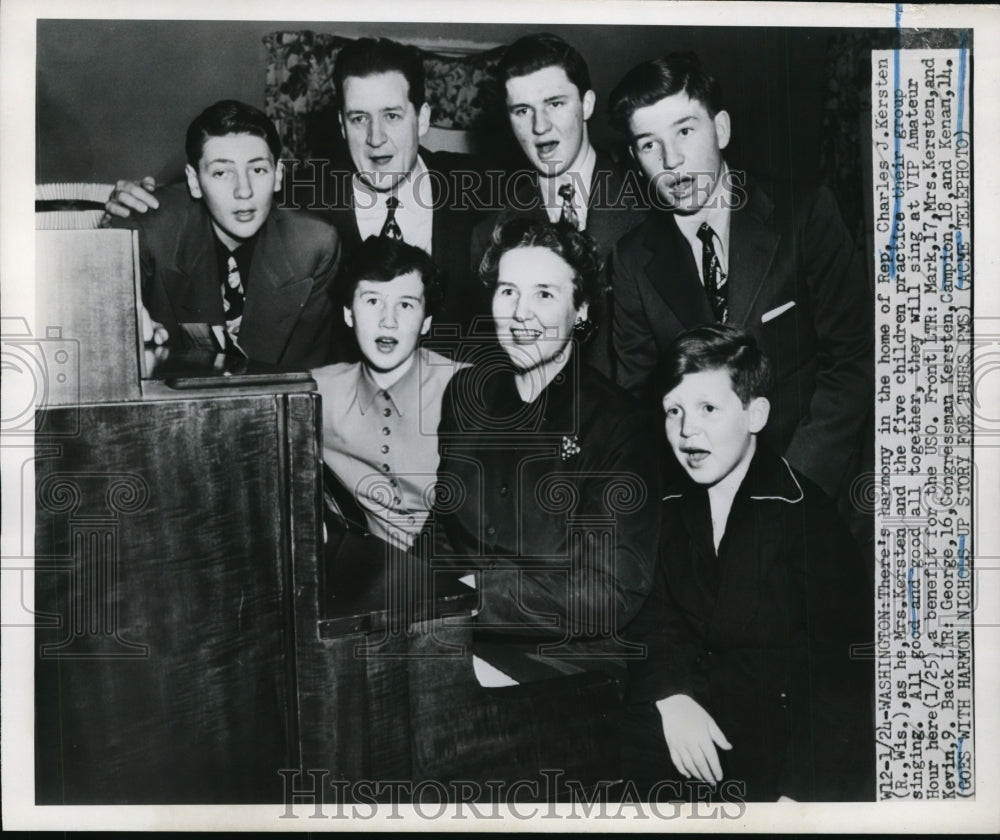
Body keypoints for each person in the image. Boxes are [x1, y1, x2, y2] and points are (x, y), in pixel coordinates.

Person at [104, 37, 484, 358]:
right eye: (358, 118)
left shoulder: (478, 186)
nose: (375, 138)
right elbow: (223, 190)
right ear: (341, 125)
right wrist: (132, 206)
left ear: (423, 119)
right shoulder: (302, 195)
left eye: (392, 116)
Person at [607, 52, 873, 507]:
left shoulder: (805, 214)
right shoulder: (632, 261)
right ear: (635, 158)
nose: (672, 160)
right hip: (705, 505)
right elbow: (642, 400)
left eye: (685, 131)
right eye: (649, 144)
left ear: (722, 129)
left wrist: (790, 488)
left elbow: (852, 359)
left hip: (821, 493)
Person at [622, 324, 873, 802]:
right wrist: (671, 695)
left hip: (784, 760)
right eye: (672, 411)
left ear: (755, 414)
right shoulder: (669, 500)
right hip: (692, 728)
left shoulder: (810, 520)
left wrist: (797, 798)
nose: (686, 429)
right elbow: (654, 611)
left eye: (707, 409)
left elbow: (842, 678)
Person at [432, 217, 658, 684]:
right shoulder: (465, 394)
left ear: (581, 311)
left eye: (545, 294)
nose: (521, 313)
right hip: (465, 636)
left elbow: (610, 591)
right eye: (508, 291)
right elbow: (443, 530)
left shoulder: (621, 425)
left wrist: (479, 596)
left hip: (567, 661)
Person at [108, 99, 339, 368]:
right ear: (194, 181)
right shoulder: (150, 230)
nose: (244, 190)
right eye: (221, 173)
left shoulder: (313, 246)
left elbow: (306, 376)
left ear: (278, 175)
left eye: (258, 170)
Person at [471, 33, 646, 378]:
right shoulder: (487, 235)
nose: (540, 126)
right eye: (523, 111)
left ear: (588, 104)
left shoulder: (650, 206)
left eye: (555, 103)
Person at [311, 235, 466, 552]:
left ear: (426, 322)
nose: (388, 320)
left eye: (406, 305)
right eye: (372, 301)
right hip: (374, 583)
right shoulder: (316, 394)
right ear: (348, 313)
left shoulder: (469, 391)